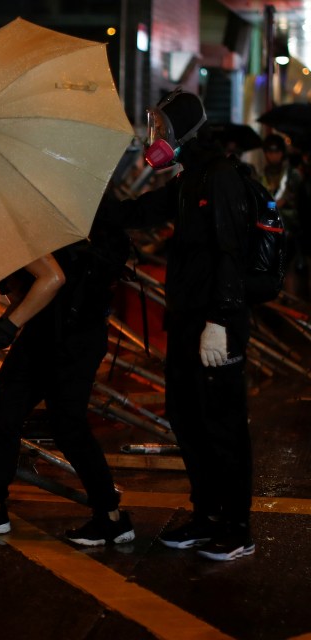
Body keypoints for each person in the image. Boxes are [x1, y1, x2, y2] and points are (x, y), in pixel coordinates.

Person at [100, 89, 255, 561]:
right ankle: (206, 515)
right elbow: (137, 214)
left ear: (183, 130)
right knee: (188, 420)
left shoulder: (222, 177)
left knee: (222, 424)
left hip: (215, 325)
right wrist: (85, 190)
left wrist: (220, 322)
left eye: (161, 128)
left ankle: (237, 526)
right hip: (187, 322)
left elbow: (233, 252)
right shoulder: (189, 181)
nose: (155, 137)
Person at [0, 213, 134, 546]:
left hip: (75, 336)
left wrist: (10, 325)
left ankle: (112, 518)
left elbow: (52, 278)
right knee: (5, 411)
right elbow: (25, 294)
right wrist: (3, 324)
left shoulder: (11, 223)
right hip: (44, 333)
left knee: (68, 426)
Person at [259, 134, 304, 297]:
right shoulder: (261, 175)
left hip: (289, 232)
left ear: (282, 153)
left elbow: (301, 204)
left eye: (276, 151)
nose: (272, 155)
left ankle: (292, 305)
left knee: (290, 271)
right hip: (268, 234)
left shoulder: (292, 176)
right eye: (269, 151)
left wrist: (286, 201)